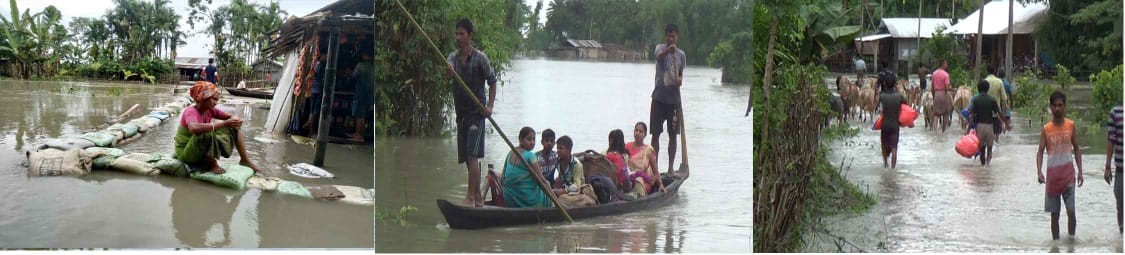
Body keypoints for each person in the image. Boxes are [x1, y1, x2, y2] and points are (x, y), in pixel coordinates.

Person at [446, 18, 498, 207]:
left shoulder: (480, 58)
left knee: (472, 155)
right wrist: (449, 70)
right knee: (468, 159)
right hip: (461, 115)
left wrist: (490, 106)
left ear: (470, 36)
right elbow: (448, 67)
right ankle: (477, 197)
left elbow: (492, 81)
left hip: (477, 114)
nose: (458, 37)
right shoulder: (453, 57)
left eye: (462, 34)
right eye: (456, 33)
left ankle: (469, 197)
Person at [174, 81, 262, 174]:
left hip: (197, 149)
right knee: (205, 133)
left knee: (234, 127)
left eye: (217, 100)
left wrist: (235, 120)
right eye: (214, 99)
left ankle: (245, 160)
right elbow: (193, 128)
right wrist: (224, 124)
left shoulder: (210, 110)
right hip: (185, 153)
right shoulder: (191, 111)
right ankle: (213, 164)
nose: (216, 103)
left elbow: (230, 116)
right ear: (204, 98)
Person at [1036, 91, 1085, 241]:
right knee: (1054, 216)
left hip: (1068, 176)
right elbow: (1040, 152)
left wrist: (1080, 172)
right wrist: (1039, 172)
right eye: (1055, 105)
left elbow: (1076, 148)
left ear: (1064, 107)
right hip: (1052, 178)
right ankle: (1055, 245)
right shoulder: (1046, 129)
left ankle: (1071, 242)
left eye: (1060, 105)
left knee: (1071, 212)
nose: (1057, 108)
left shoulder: (1071, 125)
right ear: (1051, 107)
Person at [650, 24, 686, 176]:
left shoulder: (681, 55)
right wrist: (667, 51)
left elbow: (680, 74)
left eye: (673, 36)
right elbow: (659, 57)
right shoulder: (660, 48)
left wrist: (679, 81)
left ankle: (671, 169)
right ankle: (655, 170)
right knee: (655, 135)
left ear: (677, 37)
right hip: (658, 98)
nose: (671, 39)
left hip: (673, 101)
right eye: (668, 36)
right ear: (666, 37)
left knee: (673, 136)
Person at [501, 127, 551, 208]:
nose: (532, 142)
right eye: (529, 139)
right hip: (525, 201)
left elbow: (502, 179)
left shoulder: (510, 152)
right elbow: (543, 181)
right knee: (547, 184)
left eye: (534, 139)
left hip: (509, 200)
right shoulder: (530, 156)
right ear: (520, 139)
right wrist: (557, 202)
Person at [625, 122, 666, 198]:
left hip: (644, 181)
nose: (637, 133)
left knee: (639, 179)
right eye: (636, 130)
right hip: (629, 179)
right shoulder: (627, 146)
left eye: (641, 132)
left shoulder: (648, 150)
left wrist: (660, 185)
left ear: (645, 135)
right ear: (633, 132)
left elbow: (655, 170)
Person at [967, 80, 1001, 165]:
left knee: (982, 150)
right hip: (990, 127)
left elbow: (971, 115)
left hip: (979, 127)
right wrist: (1006, 124)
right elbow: (999, 113)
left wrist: (968, 130)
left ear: (978, 89)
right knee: (989, 149)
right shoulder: (992, 100)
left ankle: (982, 166)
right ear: (988, 89)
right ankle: (988, 165)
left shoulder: (976, 100)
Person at [878, 72, 907, 169]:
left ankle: (885, 164)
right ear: (895, 84)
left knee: (883, 144)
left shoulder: (882, 96)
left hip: (885, 125)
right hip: (895, 125)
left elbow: (877, 106)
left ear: (885, 84)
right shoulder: (899, 96)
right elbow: (906, 104)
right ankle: (893, 169)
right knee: (894, 148)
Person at [348, 49, 374, 142]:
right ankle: (357, 134)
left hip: (360, 93)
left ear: (366, 56)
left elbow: (353, 76)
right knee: (362, 115)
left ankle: (359, 136)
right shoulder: (373, 67)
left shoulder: (360, 66)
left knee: (359, 116)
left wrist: (349, 72)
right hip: (368, 94)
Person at [1106, 106, 1123, 233]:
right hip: (1121, 169)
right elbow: (1111, 140)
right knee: (1121, 207)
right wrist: (1107, 167)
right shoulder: (1116, 112)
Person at [303, 55, 327, 137]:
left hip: (314, 90)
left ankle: (310, 130)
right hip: (316, 91)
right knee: (315, 112)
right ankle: (309, 126)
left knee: (313, 111)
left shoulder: (318, 64)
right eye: (326, 56)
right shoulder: (319, 65)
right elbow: (312, 75)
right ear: (322, 56)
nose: (327, 58)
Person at [984, 67, 1010, 141]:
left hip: (985, 112)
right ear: (995, 71)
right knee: (996, 135)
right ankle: (996, 149)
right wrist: (1004, 113)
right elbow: (1004, 99)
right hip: (996, 113)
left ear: (987, 71)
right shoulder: (999, 82)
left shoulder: (984, 81)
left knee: (987, 136)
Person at [606, 129, 632, 193]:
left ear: (611, 141)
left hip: (614, 182)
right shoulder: (626, 155)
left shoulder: (606, 154)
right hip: (622, 183)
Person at [931, 60, 952, 133]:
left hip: (936, 94)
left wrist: (934, 96)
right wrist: (952, 89)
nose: (947, 65)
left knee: (936, 114)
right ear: (943, 64)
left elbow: (932, 87)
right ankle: (943, 131)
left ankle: (934, 132)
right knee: (945, 113)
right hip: (943, 94)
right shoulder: (946, 74)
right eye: (946, 64)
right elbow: (947, 87)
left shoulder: (934, 73)